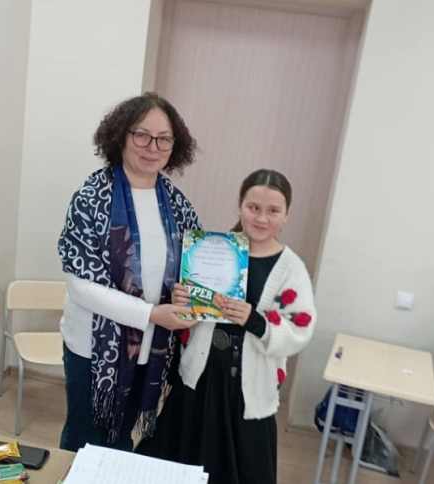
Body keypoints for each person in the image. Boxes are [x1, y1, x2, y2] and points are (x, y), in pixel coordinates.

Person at [137, 168, 317, 484]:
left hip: (248, 389)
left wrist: (254, 320)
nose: (261, 218)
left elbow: (299, 332)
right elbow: (190, 316)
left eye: (273, 211)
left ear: (287, 214)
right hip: (201, 375)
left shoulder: (291, 269)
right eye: (253, 207)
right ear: (239, 206)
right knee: (180, 464)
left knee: (238, 470)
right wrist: (183, 300)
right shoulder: (213, 249)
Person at [57, 92, 200, 452]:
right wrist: (151, 314)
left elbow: (191, 272)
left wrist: (186, 293)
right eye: (142, 135)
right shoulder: (91, 198)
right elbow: (81, 287)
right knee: (85, 441)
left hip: (150, 346)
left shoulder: (177, 204)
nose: (153, 147)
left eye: (164, 138)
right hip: (94, 348)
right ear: (120, 136)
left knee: (122, 439)